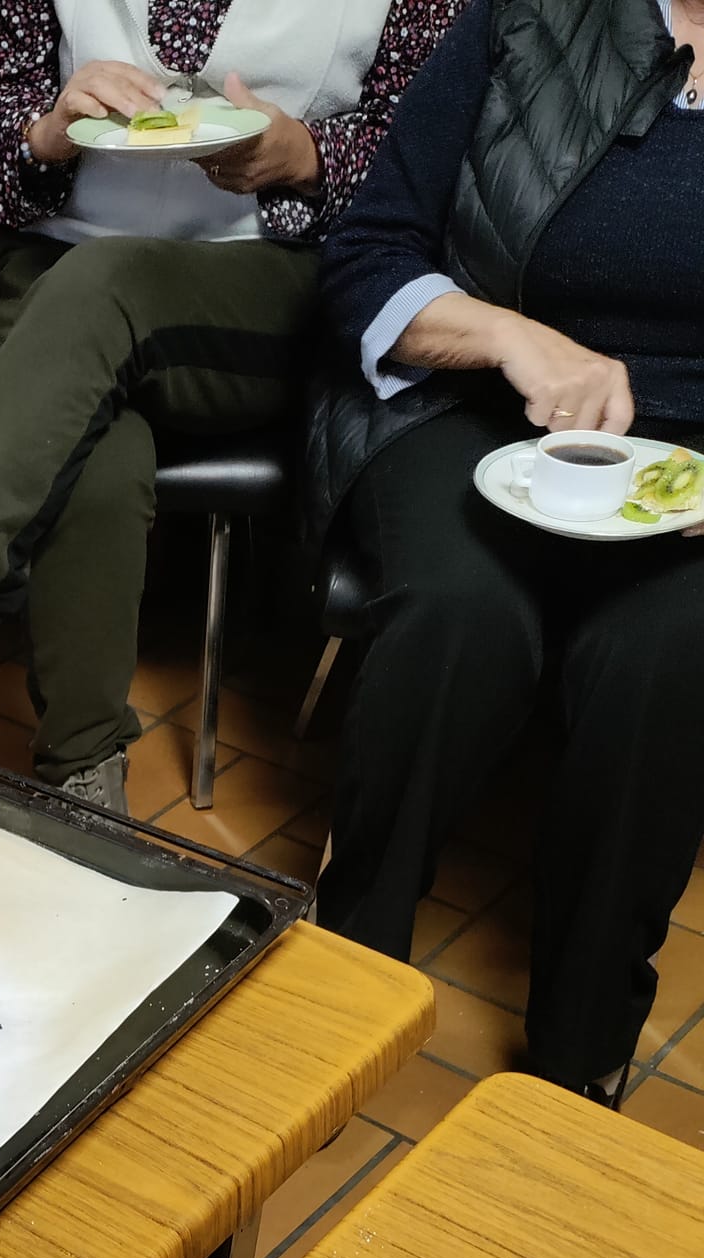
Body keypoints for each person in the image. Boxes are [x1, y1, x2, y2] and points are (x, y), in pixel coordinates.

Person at [0, 0, 463, 799]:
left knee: (103, 287)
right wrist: (46, 132)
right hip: (59, 278)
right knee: (92, 449)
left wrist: (307, 156)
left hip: (264, 291)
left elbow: (431, 163)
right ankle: (86, 772)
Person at [312, 0, 704, 1107]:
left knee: (664, 659)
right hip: (473, 414)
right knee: (458, 609)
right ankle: (342, 969)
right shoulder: (525, 18)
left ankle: (577, 1058)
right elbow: (365, 254)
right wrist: (502, 333)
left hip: (689, 469)